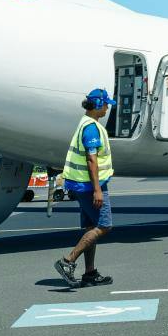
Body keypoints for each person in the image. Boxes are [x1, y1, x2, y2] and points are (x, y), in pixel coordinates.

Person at [53, 88, 115, 287]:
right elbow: (91, 159)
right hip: (90, 186)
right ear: (97, 105)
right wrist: (97, 189)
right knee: (103, 226)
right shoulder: (91, 128)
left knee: (91, 227)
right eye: (105, 105)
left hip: (81, 184)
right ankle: (68, 261)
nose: (107, 108)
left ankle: (89, 273)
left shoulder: (85, 123)